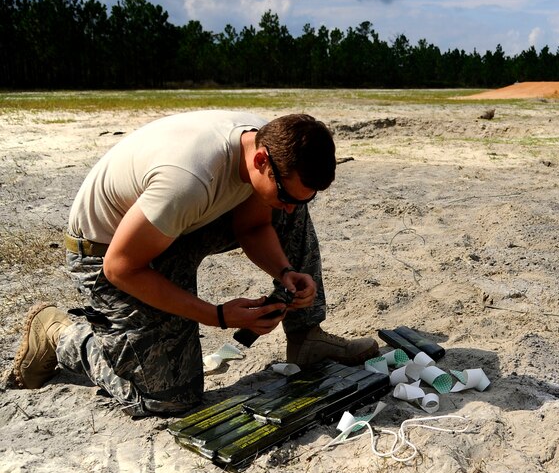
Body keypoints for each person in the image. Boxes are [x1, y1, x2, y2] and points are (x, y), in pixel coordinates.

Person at [12, 110, 379, 417]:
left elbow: (253, 224)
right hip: (107, 251)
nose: (290, 204)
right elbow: (120, 267)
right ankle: (60, 334)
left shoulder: (267, 145)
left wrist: (284, 272)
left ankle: (306, 338)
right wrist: (217, 315)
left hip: (176, 228)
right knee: (169, 397)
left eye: (305, 198)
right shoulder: (188, 180)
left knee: (288, 214)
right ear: (261, 160)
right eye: (285, 193)